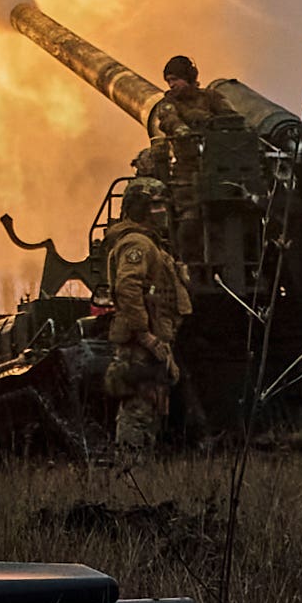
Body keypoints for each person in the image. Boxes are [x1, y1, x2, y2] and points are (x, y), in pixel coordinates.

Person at [101, 177, 191, 462]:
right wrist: (147, 336)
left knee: (151, 406)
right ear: (139, 208)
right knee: (138, 409)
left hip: (154, 342)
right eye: (155, 205)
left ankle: (140, 472)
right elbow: (127, 288)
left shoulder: (152, 245)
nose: (163, 210)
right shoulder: (137, 244)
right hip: (142, 344)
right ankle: (130, 473)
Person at [145, 55, 220, 259]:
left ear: (188, 77)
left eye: (175, 79)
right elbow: (169, 120)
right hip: (186, 176)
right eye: (168, 81)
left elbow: (231, 119)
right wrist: (182, 130)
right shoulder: (168, 103)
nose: (171, 85)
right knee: (189, 226)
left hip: (218, 171)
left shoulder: (211, 98)